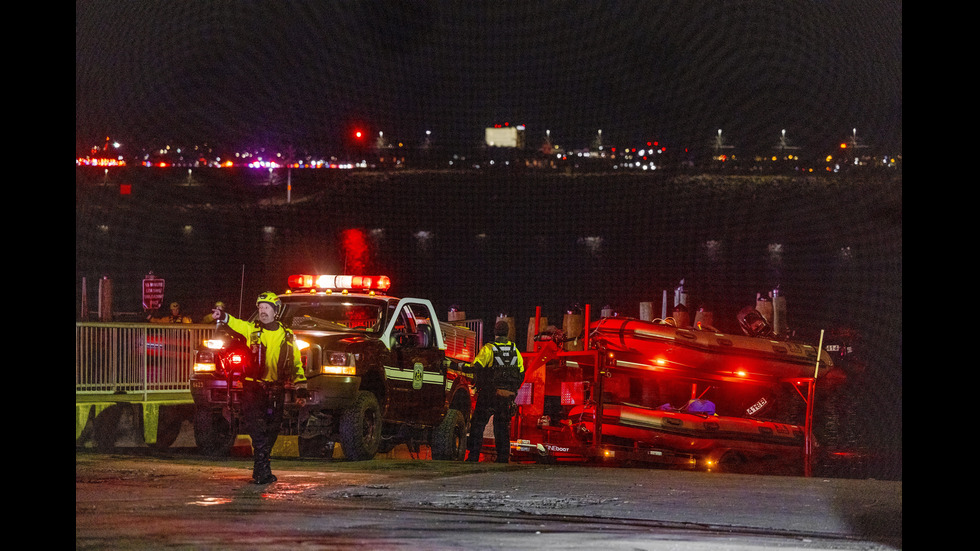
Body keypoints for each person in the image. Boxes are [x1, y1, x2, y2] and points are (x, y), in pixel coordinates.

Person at [212, 292, 307, 484]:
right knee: (257, 429)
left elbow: (296, 363)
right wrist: (223, 316)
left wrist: (301, 389)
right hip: (253, 388)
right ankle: (263, 470)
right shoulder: (252, 330)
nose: (262, 311)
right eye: (260, 308)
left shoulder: (288, 336)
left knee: (272, 430)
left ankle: (260, 468)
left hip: (276, 390)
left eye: (266, 308)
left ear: (276, 311)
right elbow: (236, 323)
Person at [465, 320, 525, 463]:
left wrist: (460, 367)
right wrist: (512, 391)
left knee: (478, 425)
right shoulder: (515, 350)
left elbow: (476, 367)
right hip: (506, 397)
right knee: (502, 427)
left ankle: (473, 457)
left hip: (489, 394)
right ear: (507, 332)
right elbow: (521, 373)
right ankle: (503, 458)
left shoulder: (488, 349)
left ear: (495, 332)